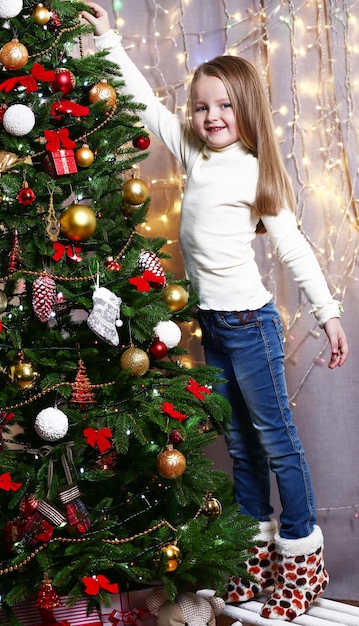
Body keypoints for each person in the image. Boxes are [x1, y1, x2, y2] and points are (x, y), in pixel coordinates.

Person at [82, 3, 349, 621]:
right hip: (213, 325)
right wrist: (109, 42)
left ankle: (302, 563)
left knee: (276, 441)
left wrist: (328, 313)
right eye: (202, 106)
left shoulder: (255, 173)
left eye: (224, 106)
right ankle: (253, 559)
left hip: (250, 324)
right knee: (237, 439)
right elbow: (146, 103)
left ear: (246, 110)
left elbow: (293, 248)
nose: (211, 117)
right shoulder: (194, 155)